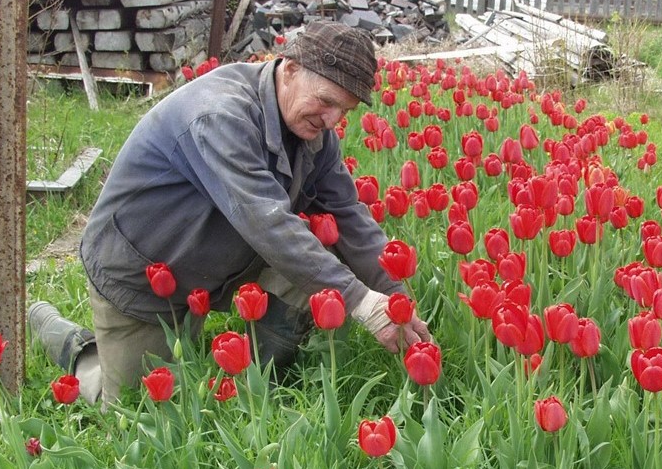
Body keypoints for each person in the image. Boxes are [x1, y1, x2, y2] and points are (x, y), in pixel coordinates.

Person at [29, 21, 431, 404]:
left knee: (321, 258)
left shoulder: (314, 130)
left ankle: (252, 380)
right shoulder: (220, 114)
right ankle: (73, 346)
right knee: (138, 407)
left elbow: (347, 214)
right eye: (326, 102)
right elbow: (266, 222)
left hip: (220, 261)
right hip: (144, 272)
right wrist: (362, 303)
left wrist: (395, 297)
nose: (332, 121)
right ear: (289, 69)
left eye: (344, 111)